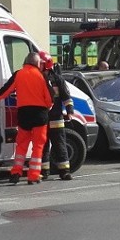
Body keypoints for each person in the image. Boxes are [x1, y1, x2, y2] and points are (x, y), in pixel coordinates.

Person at [0, 52, 52, 184]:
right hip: (40, 115)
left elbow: (4, 91)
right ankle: (33, 175)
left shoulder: (18, 74)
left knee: (21, 145)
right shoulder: (41, 76)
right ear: (38, 63)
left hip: (24, 114)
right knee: (38, 147)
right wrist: (47, 106)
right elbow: (50, 98)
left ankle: (16, 172)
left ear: (25, 61)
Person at [39, 51, 74, 181]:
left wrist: (70, 111)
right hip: (42, 117)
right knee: (43, 145)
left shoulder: (57, 79)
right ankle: (44, 171)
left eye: (40, 64)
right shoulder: (36, 78)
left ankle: (64, 171)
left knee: (60, 145)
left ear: (46, 65)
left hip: (56, 117)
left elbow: (66, 97)